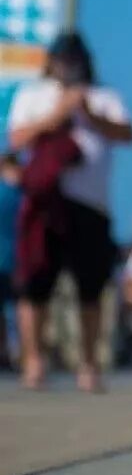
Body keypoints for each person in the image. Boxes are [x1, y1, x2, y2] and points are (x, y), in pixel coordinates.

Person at [8, 33, 132, 392]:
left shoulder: (104, 96)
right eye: (63, 58)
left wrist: (89, 114)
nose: (68, 64)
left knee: (90, 288)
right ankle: (34, 361)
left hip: (91, 205)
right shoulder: (32, 95)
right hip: (43, 204)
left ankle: (89, 364)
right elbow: (16, 139)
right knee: (34, 286)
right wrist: (57, 115)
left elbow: (127, 134)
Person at [0, 153, 22, 370]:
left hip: (10, 261)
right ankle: (14, 353)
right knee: (14, 311)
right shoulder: (21, 195)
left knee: (10, 311)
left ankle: (6, 352)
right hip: (15, 262)